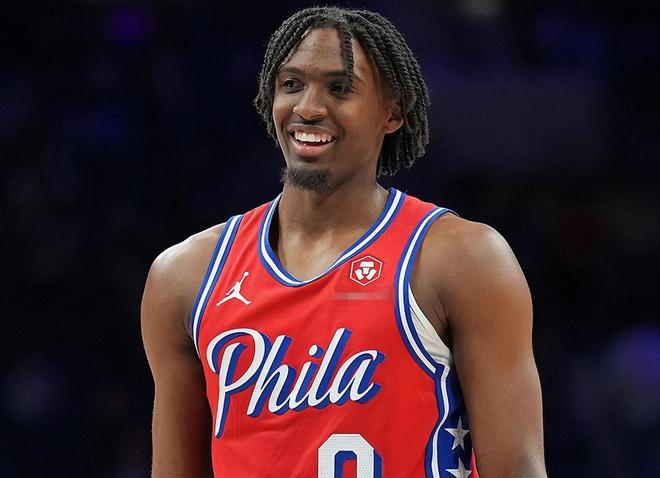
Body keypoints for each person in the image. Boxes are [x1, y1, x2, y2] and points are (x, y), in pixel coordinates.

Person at [141, 6, 547, 478]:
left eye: (339, 88)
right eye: (291, 84)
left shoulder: (463, 258)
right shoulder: (184, 277)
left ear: (392, 112)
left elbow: (518, 468)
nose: (309, 107)